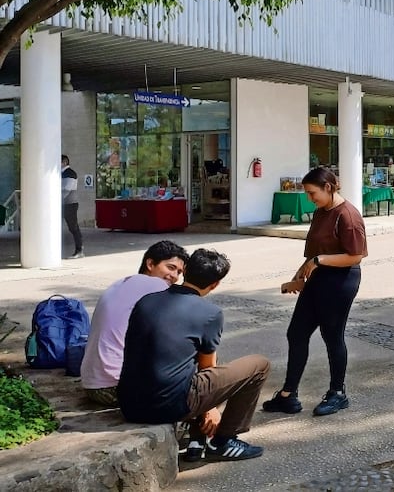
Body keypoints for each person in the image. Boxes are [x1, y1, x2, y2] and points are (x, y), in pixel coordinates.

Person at [118, 249, 270, 462]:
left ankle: (196, 439)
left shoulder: (146, 301)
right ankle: (223, 441)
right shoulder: (211, 313)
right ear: (215, 284)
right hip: (168, 406)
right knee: (259, 365)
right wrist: (211, 409)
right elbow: (207, 369)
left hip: (129, 404)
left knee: (187, 365)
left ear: (185, 270)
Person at [262, 167, 368, 417]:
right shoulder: (322, 212)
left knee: (332, 336)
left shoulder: (348, 216)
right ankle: (288, 395)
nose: (310, 199)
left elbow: (356, 256)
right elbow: (313, 254)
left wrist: (318, 262)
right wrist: (299, 277)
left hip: (341, 280)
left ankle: (337, 393)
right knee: (296, 333)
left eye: (312, 193)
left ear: (329, 188)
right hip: (319, 277)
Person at [81, 241, 189, 408]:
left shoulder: (121, 283)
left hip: (94, 384)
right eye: (170, 267)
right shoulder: (156, 285)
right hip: (116, 386)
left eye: (179, 272)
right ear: (150, 264)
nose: (175, 276)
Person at [61, 155, 83, 259]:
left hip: (70, 204)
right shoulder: (61, 173)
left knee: (73, 227)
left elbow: (66, 189)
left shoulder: (70, 173)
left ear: (64, 162)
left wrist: (56, 199)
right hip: (63, 204)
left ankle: (79, 250)